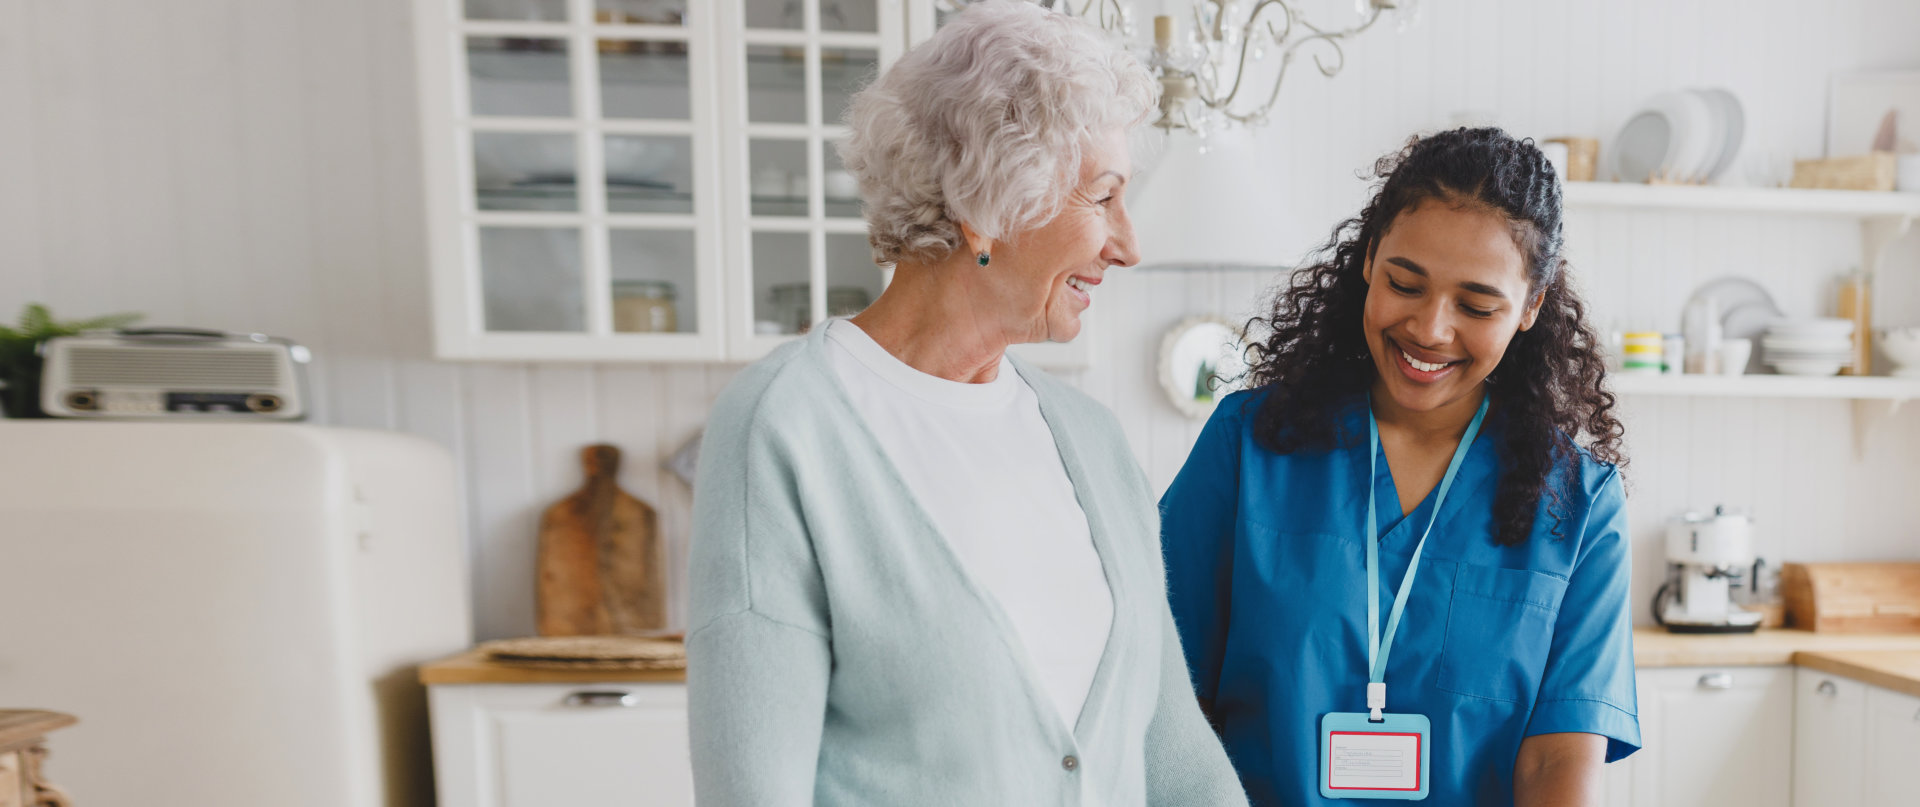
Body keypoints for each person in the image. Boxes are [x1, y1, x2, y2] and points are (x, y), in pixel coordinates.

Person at [685, 3, 1248, 805]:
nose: (1128, 244)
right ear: (989, 202)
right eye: (1104, 196)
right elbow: (753, 787)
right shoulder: (786, 425)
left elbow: (1173, 750)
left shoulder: (1089, 439)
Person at [1161, 127, 1640, 806]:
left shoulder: (1581, 506)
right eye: (1405, 283)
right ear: (1367, 262)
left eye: (1476, 305)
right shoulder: (1248, 445)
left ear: (1532, 306)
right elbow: (1166, 687)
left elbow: (1557, 762)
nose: (1430, 328)